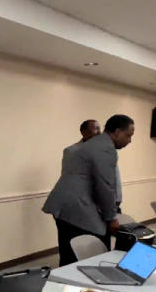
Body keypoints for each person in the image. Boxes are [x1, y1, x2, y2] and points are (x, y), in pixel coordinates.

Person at [43, 114, 135, 266]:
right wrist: (111, 218)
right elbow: (105, 185)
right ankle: (83, 284)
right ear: (117, 132)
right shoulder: (105, 149)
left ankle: (63, 283)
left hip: (65, 206)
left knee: (68, 254)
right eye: (128, 135)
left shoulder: (94, 145)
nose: (129, 141)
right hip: (77, 207)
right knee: (94, 251)